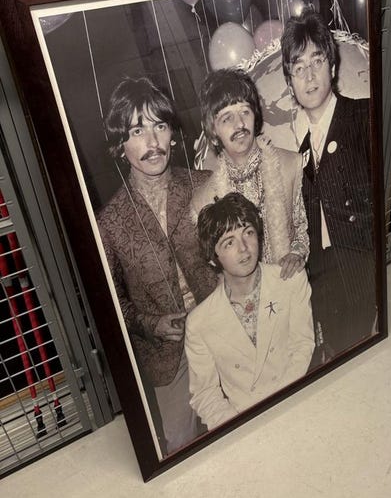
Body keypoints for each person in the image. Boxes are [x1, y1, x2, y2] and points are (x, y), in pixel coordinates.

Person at [96, 77, 217, 454]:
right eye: (137, 131)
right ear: (120, 145)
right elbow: (112, 304)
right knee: (181, 448)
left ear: (173, 135)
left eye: (159, 126)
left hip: (225, 332)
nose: (152, 142)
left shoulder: (206, 185)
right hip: (168, 358)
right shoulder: (109, 224)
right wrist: (152, 324)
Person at [281, 7, 377, 365]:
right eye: (298, 68)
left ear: (332, 67)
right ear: (290, 83)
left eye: (317, 61)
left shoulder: (364, 116)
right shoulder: (301, 152)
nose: (309, 76)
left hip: (364, 273)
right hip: (326, 284)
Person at [185, 192, 314, 430]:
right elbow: (205, 394)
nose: (244, 248)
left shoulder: (290, 281)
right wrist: (239, 427)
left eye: (248, 233)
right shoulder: (199, 323)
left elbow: (302, 347)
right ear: (213, 258)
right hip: (244, 424)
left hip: (297, 402)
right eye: (229, 242)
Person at [191, 68, 309, 280]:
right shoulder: (203, 200)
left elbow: (306, 229)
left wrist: (296, 254)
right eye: (227, 118)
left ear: (255, 116)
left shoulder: (293, 165)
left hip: (292, 286)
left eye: (245, 112)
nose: (239, 124)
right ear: (213, 133)